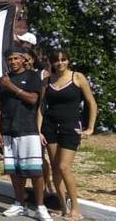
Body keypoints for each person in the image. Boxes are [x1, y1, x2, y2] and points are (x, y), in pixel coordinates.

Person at [38, 49, 97, 220]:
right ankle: (63, 206)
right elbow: (41, 107)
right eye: (56, 61)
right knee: (55, 168)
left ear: (68, 61)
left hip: (70, 128)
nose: (60, 63)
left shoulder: (77, 78)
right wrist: (38, 130)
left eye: (63, 60)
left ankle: (75, 209)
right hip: (49, 128)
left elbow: (91, 104)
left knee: (64, 167)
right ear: (52, 63)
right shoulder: (47, 80)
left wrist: (90, 128)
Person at [0, 50, 50, 221]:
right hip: (8, 130)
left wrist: (11, 86)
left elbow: (33, 99)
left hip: (28, 129)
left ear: (23, 59)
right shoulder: (1, 80)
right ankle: (20, 203)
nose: (13, 61)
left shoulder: (33, 76)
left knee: (35, 171)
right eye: (9, 59)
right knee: (14, 171)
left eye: (16, 58)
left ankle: (40, 207)